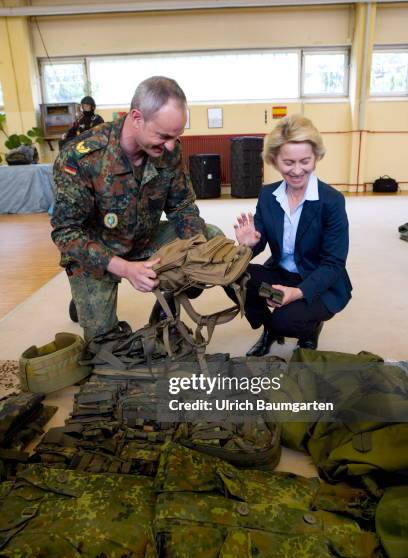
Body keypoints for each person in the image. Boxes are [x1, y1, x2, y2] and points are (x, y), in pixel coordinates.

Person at [51, 76, 220, 341]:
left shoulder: (170, 149)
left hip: (145, 239)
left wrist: (195, 253)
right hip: (97, 253)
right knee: (103, 346)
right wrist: (124, 269)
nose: (171, 146)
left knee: (209, 239)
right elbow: (65, 233)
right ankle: (85, 296)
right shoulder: (81, 157)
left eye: (176, 137)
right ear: (137, 117)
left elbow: (182, 207)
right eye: (163, 136)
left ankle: (167, 306)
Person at [231, 114, 352, 357]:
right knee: (233, 276)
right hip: (282, 273)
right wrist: (248, 245)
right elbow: (260, 238)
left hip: (318, 279)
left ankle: (309, 329)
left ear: (316, 157)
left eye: (305, 161)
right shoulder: (268, 195)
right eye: (288, 163)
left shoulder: (331, 201)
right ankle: (269, 329)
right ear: (274, 160)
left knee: (286, 321)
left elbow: (333, 263)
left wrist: (294, 294)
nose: (297, 171)